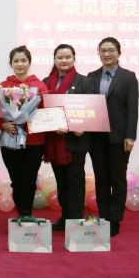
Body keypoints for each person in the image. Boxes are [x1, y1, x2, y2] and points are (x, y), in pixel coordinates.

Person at [87, 37, 137, 237]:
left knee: (117, 179)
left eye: (111, 50)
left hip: (119, 137)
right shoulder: (91, 77)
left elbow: (132, 110)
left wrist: (130, 136)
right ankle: (104, 217)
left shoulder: (128, 77)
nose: (106, 54)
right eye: (103, 51)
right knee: (101, 179)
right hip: (96, 137)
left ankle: (114, 220)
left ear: (119, 53)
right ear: (98, 53)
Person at [42, 44, 94, 230]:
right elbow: (41, 109)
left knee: (75, 181)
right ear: (54, 60)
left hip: (75, 141)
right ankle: (65, 217)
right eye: (60, 57)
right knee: (62, 182)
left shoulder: (85, 82)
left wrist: (80, 126)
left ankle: (75, 221)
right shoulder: (46, 82)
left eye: (67, 57)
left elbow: (90, 109)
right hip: (53, 141)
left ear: (74, 59)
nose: (64, 60)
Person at [0, 46, 48, 218]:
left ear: (29, 62)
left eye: (23, 60)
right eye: (16, 61)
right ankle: (21, 214)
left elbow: (46, 112)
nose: (20, 64)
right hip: (10, 138)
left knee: (29, 180)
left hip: (34, 141)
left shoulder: (39, 85)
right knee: (16, 180)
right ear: (11, 64)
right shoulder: (3, 86)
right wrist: (3, 125)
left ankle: (26, 215)